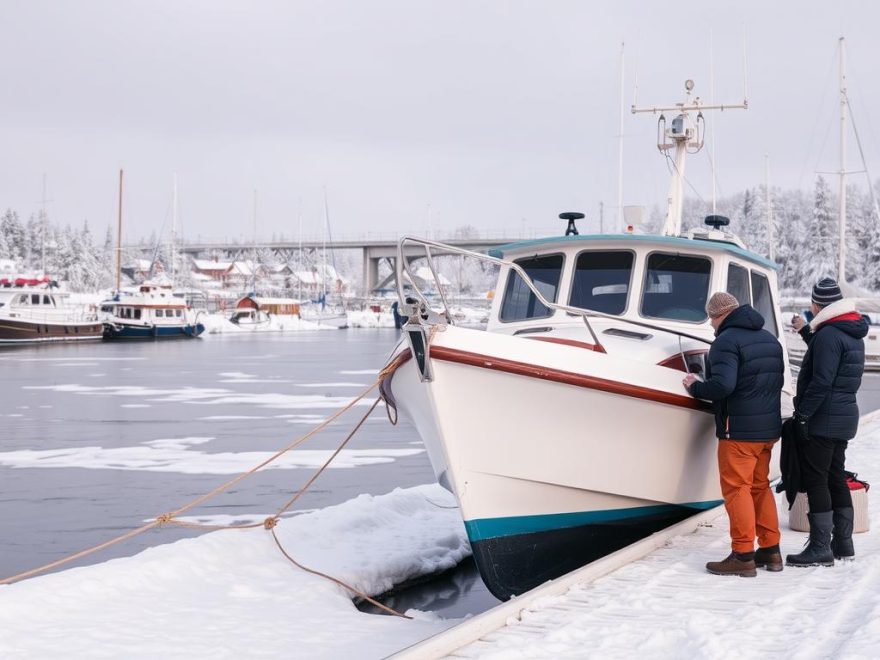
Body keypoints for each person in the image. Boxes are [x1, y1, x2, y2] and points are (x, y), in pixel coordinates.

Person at [682, 292, 785, 577]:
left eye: (711, 319)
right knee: (759, 487)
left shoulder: (725, 342)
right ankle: (771, 551)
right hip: (768, 431)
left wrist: (695, 386)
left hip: (738, 431)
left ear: (719, 315)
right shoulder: (769, 339)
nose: (711, 325)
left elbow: (723, 386)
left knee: (736, 489)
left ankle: (742, 555)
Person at [786, 277, 868, 567]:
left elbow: (821, 380)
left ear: (818, 305)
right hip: (844, 415)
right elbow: (827, 356)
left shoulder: (829, 335)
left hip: (824, 417)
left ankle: (820, 547)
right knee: (835, 475)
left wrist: (802, 415)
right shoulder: (849, 332)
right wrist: (806, 332)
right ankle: (843, 543)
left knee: (816, 478)